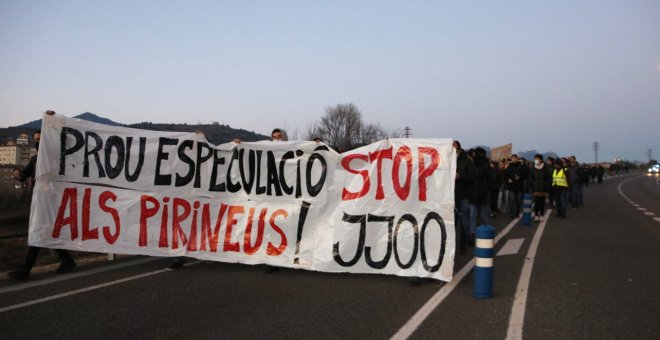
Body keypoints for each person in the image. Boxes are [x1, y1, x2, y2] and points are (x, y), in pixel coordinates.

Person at [8, 114, 77, 281]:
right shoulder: (34, 160)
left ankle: (25, 270)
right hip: (38, 202)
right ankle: (67, 261)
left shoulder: (57, 159)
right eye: (35, 140)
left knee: (39, 233)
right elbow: (23, 176)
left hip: (52, 203)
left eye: (40, 139)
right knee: (44, 234)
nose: (38, 143)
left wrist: (51, 120)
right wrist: (16, 174)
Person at [529, 154, 552, 222]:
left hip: (543, 188)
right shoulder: (533, 168)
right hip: (535, 188)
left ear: (541, 160)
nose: (535, 160)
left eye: (537, 159)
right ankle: (536, 215)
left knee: (542, 202)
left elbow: (548, 178)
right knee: (536, 202)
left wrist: (545, 185)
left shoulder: (545, 168)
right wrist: (533, 184)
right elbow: (530, 178)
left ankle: (541, 215)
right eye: (535, 159)